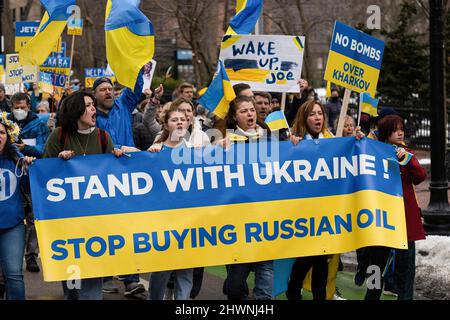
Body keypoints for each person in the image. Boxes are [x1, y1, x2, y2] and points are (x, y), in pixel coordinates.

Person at [43, 91, 124, 300]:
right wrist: (58, 163)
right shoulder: (59, 136)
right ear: (76, 110)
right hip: (66, 225)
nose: (93, 109)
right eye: (88, 105)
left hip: (96, 224)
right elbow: (43, 176)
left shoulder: (103, 137)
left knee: (91, 286)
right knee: (72, 286)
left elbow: (112, 178)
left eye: (93, 105)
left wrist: (118, 158)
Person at [217, 96, 274, 300]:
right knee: (234, 285)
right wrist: (217, 150)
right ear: (234, 116)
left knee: (266, 269)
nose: (250, 114)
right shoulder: (225, 141)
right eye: (244, 111)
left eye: (252, 110)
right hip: (237, 222)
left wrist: (293, 143)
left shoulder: (271, 138)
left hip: (266, 217)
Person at [374, 114, 427, 300]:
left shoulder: (406, 152)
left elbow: (420, 176)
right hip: (381, 220)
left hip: (404, 221)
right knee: (376, 269)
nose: (400, 132)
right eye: (395, 129)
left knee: (406, 271)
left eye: (401, 128)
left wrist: (408, 158)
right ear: (386, 133)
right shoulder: (375, 152)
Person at [147, 107, 196, 300]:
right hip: (163, 220)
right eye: (174, 120)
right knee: (162, 270)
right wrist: (150, 155)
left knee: (185, 271)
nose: (180, 123)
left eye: (183, 119)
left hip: (190, 218)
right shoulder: (156, 150)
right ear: (166, 125)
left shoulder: (196, 151)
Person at [0, 112, 35, 299]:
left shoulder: (16, 159)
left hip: (12, 226)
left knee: (14, 275)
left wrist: (29, 169)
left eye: (2, 132)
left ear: (8, 136)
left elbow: (30, 189)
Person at [93, 73, 143, 151]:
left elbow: (135, 84)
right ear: (94, 94)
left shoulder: (124, 104)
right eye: (103, 90)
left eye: (110, 89)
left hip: (129, 159)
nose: (108, 92)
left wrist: (135, 64)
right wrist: (119, 148)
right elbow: (93, 144)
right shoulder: (90, 116)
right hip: (105, 161)